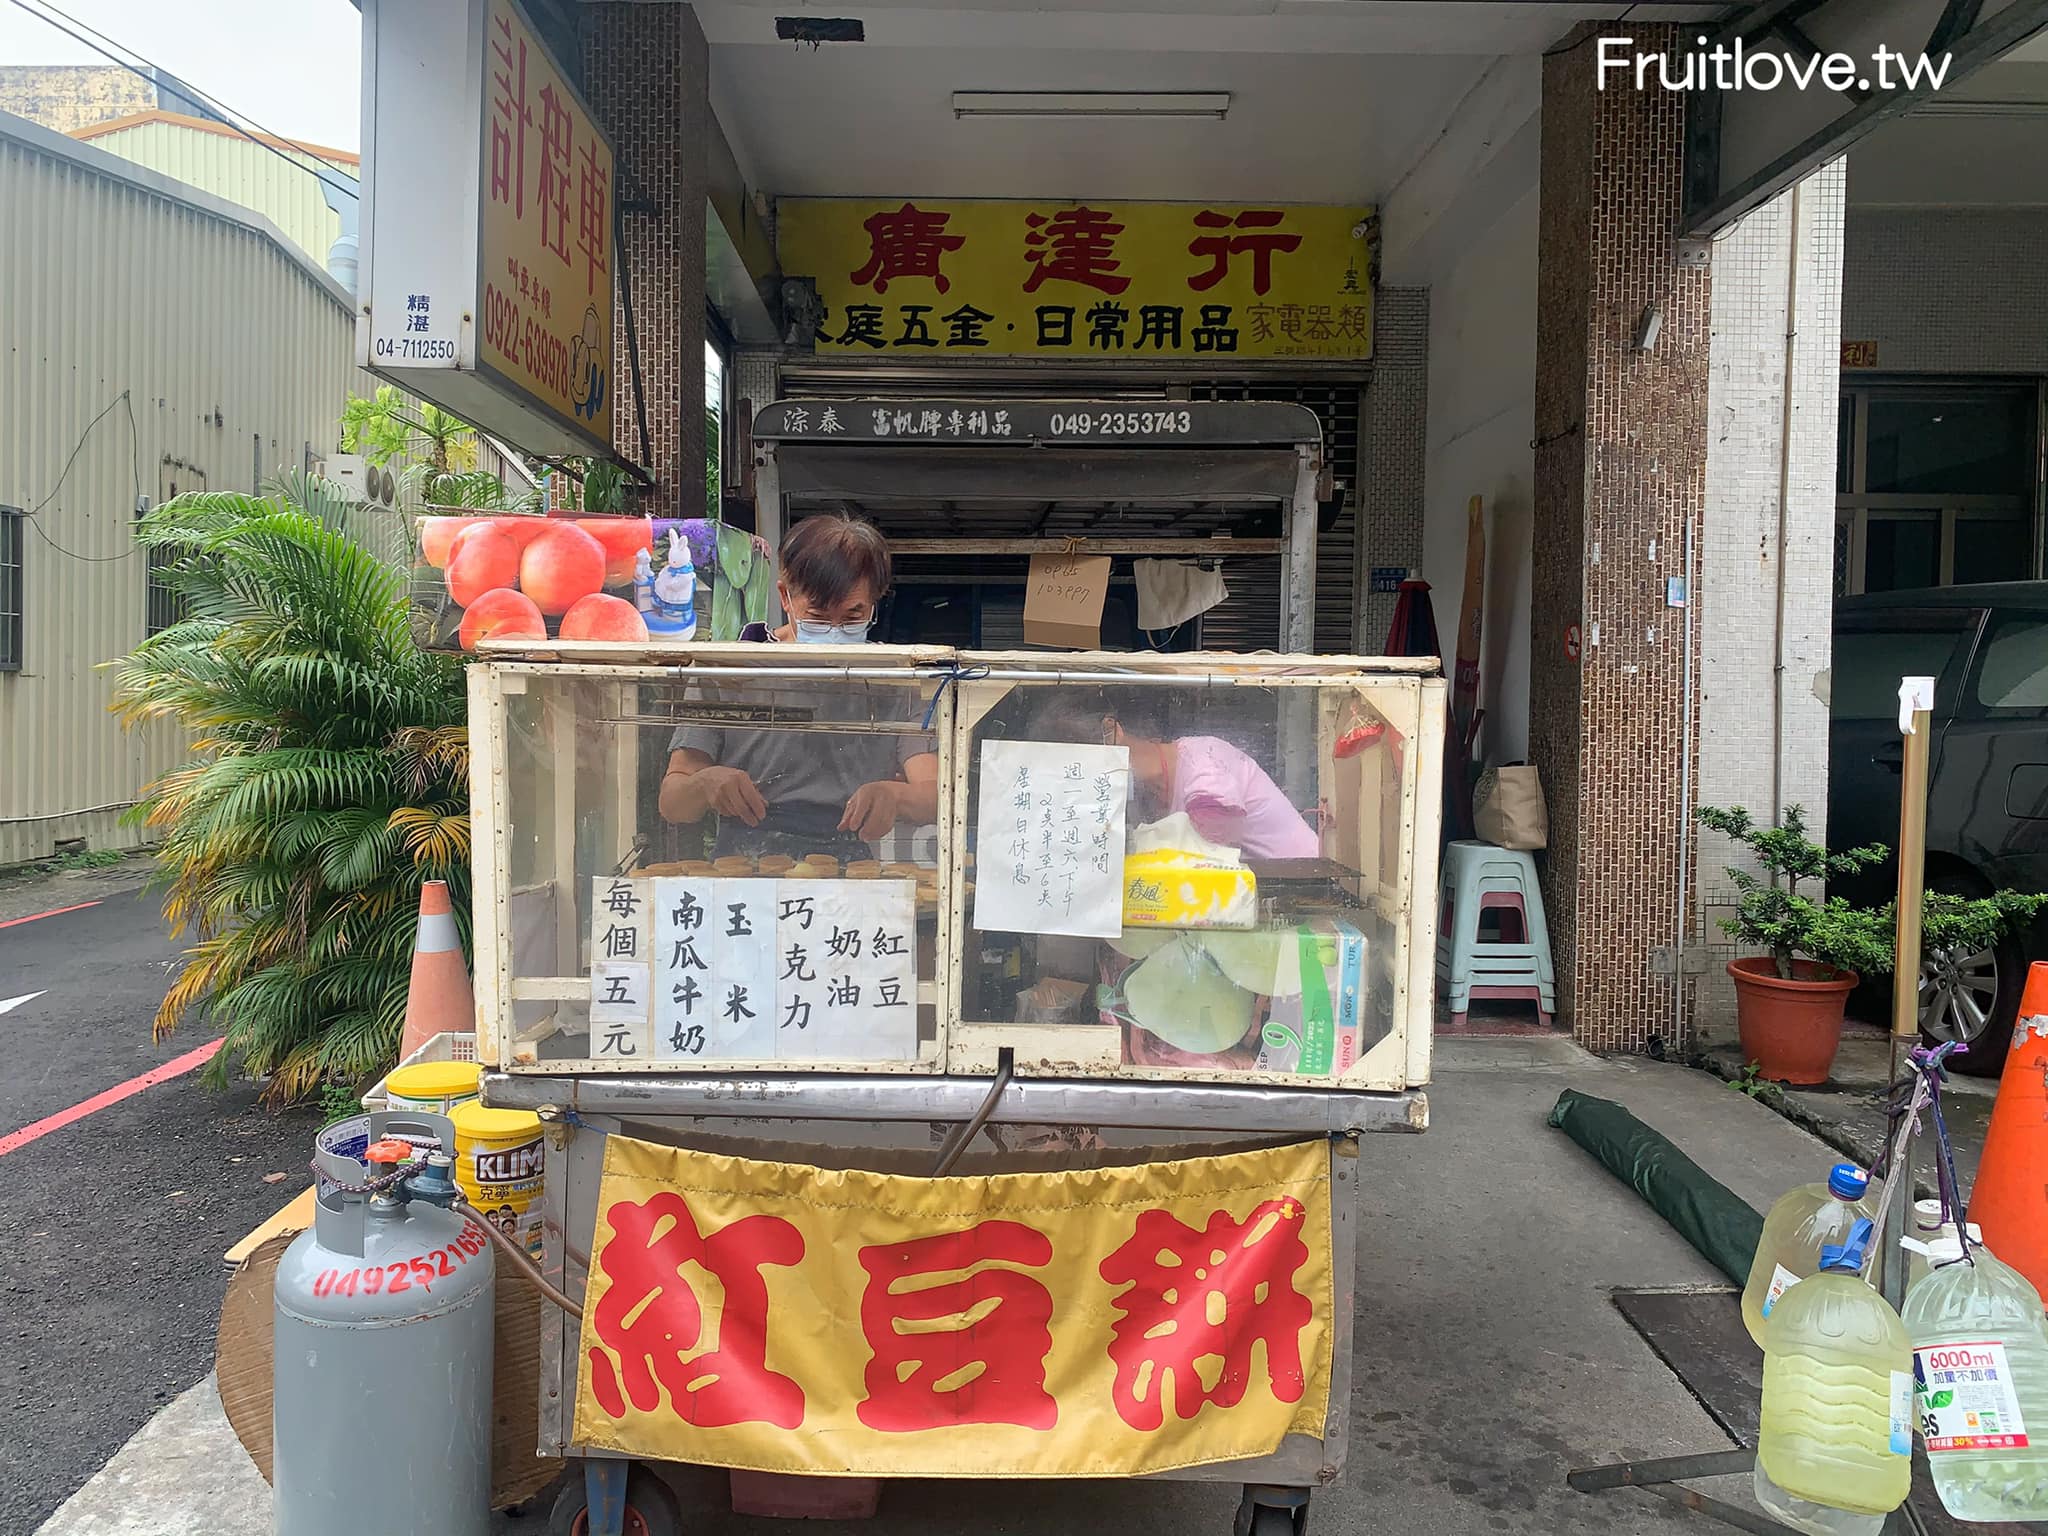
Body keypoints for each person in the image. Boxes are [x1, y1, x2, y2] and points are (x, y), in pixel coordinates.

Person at [658, 514, 937, 860]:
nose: (835, 631)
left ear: (875, 603)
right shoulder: (727, 670)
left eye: (852, 616)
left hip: (849, 863)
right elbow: (672, 802)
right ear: (785, 597)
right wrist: (705, 783)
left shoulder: (893, 678)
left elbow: (936, 793)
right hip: (741, 864)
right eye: (818, 617)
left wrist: (895, 797)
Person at [1030, 689, 1319, 860]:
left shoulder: (1205, 773)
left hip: (1301, 893)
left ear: (1111, 731)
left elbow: (1213, 869)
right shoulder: (1147, 794)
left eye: (1080, 767)